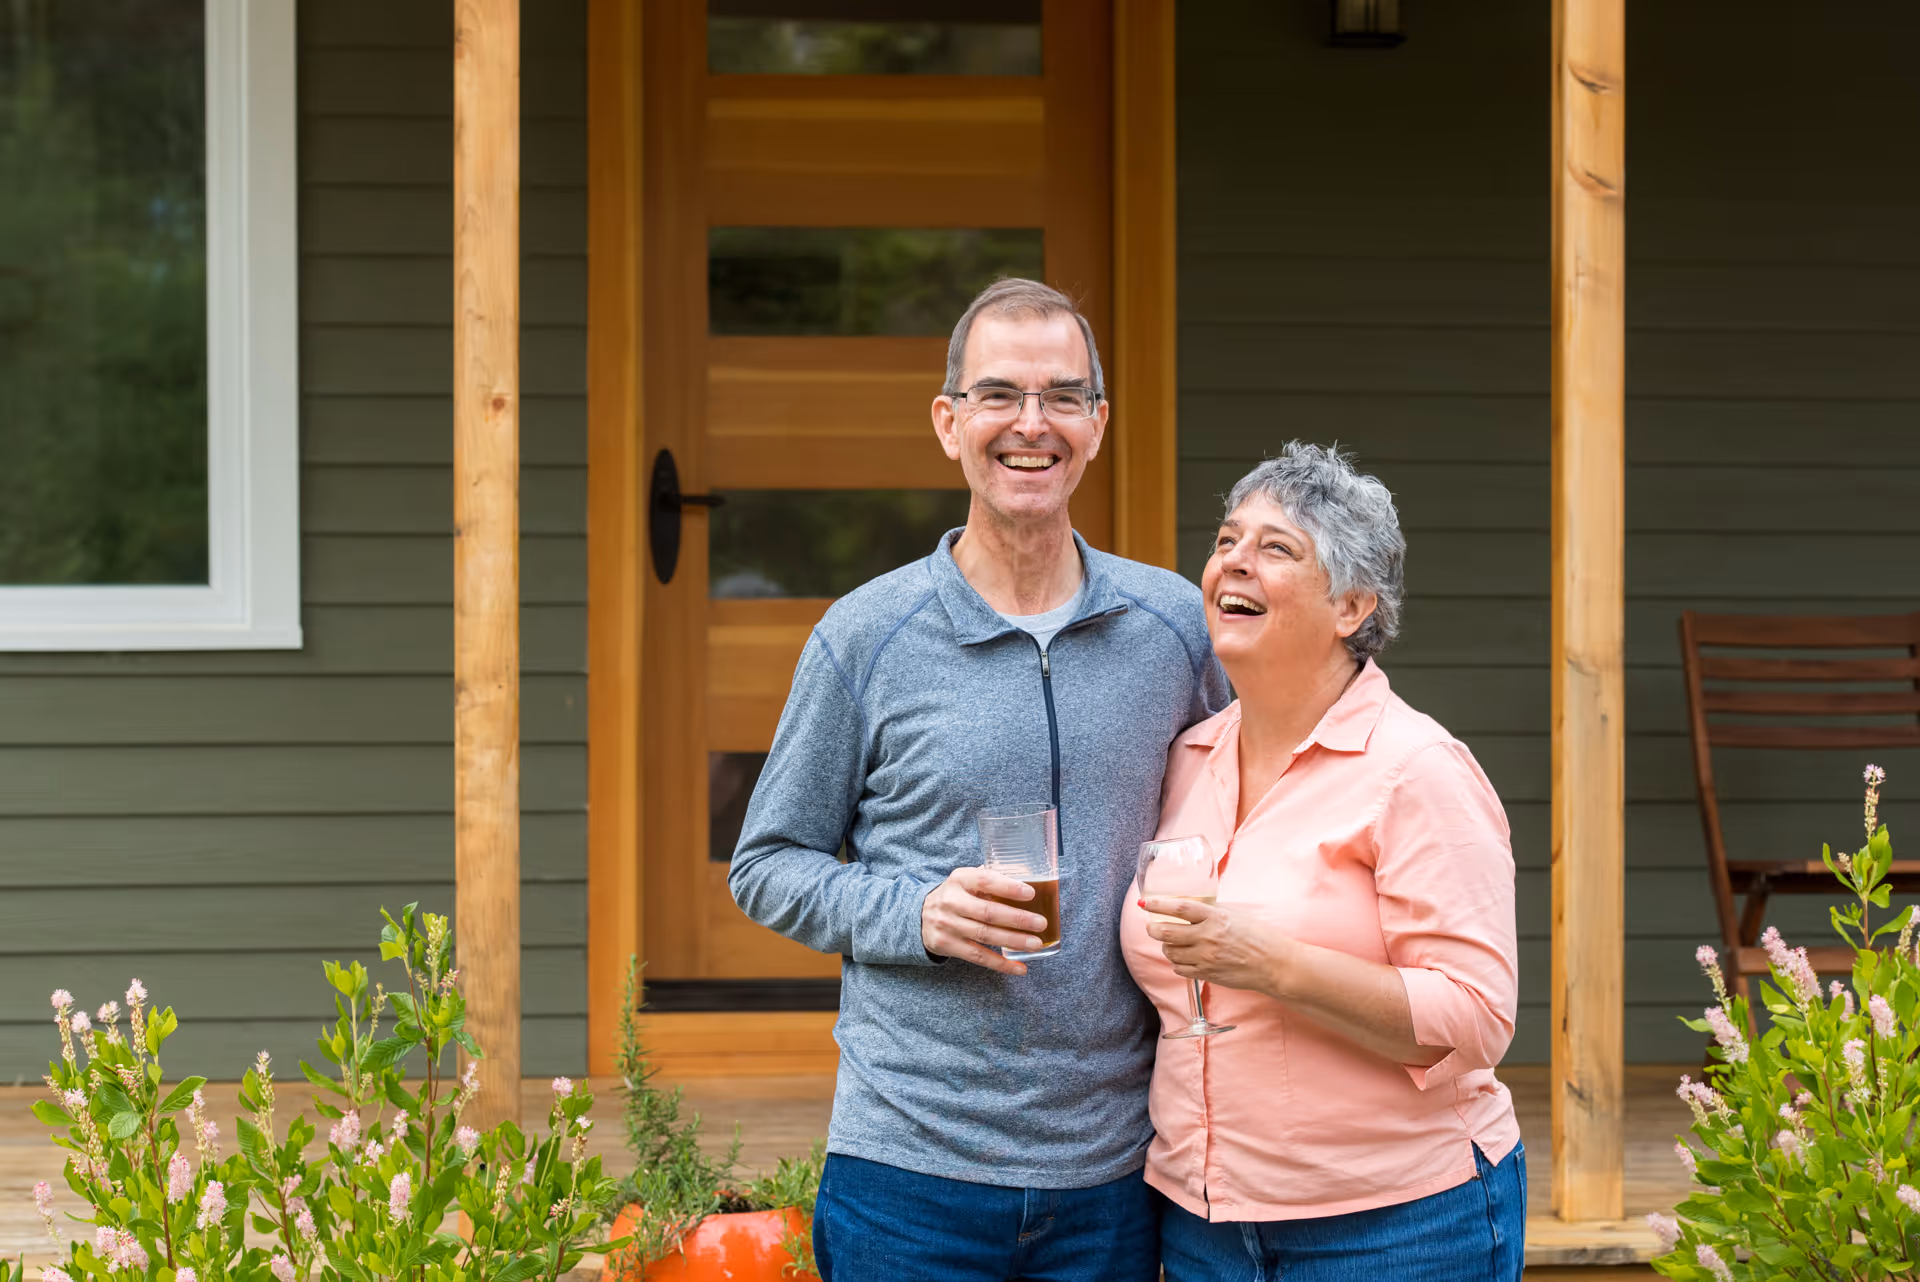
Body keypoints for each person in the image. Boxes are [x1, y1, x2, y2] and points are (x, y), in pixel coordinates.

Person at [730, 278, 1229, 1282]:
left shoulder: (1173, 627)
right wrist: (916, 913)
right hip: (908, 1170)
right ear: (948, 421)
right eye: (999, 394)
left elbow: (1249, 818)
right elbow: (766, 864)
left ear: (1097, 423)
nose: (1030, 424)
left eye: (1061, 396)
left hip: (1116, 1169)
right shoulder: (865, 636)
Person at [1122, 443, 1525, 1281]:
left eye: (1277, 548)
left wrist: (1273, 965)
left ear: (1352, 606)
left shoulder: (1417, 769)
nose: (1235, 561)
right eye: (1228, 539)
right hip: (1204, 1224)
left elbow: (1478, 1018)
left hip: (1397, 1228)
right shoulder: (1187, 757)